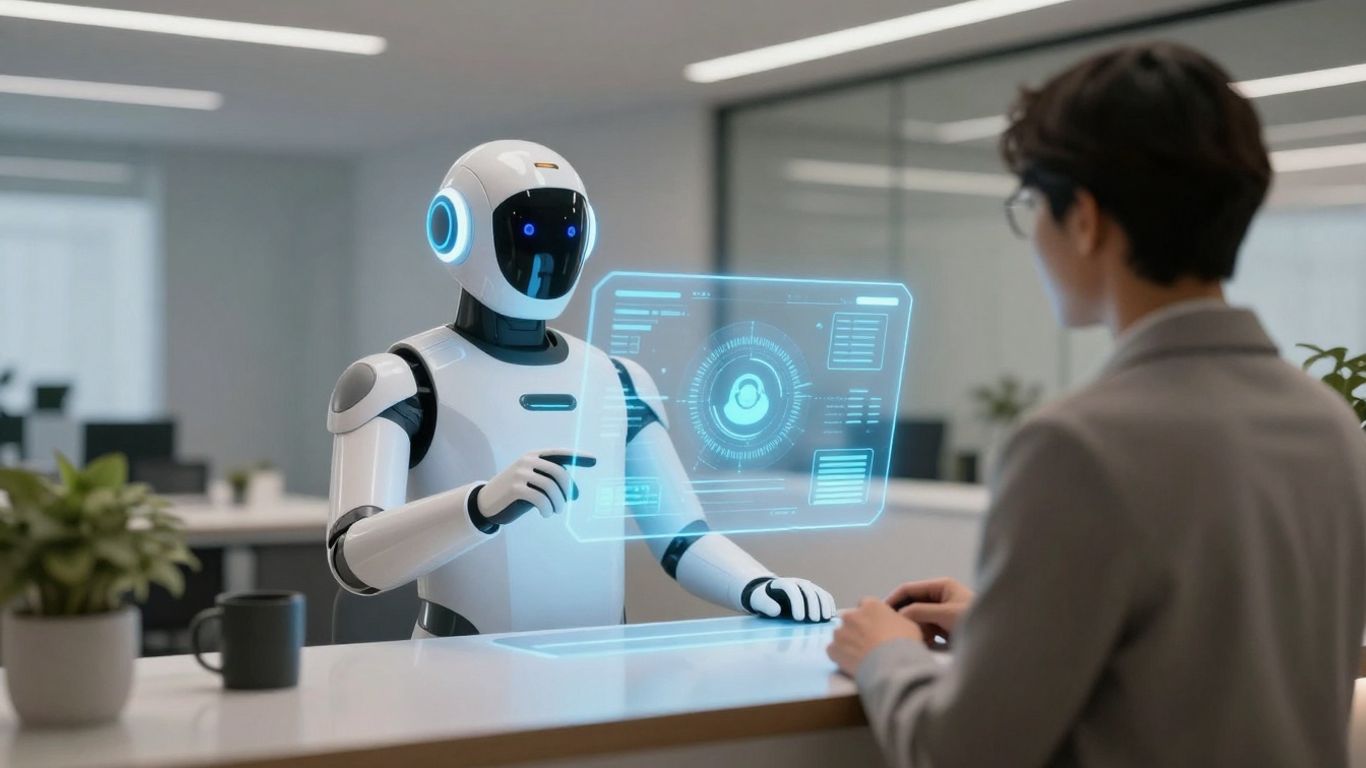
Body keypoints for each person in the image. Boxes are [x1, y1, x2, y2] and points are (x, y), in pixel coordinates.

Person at [828, 42, 1366, 767]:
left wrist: (884, 656)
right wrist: (1009, 631)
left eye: (1033, 208)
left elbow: (962, 753)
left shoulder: (1075, 445)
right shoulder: (1329, 424)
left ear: (1083, 219)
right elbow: (1214, 663)